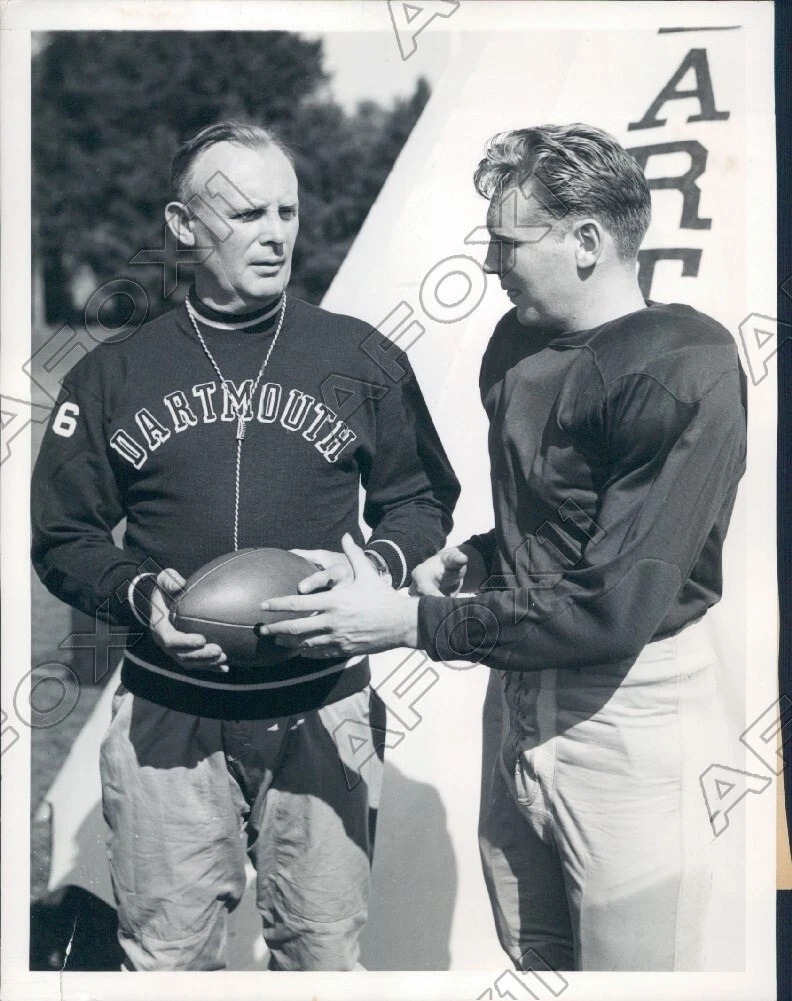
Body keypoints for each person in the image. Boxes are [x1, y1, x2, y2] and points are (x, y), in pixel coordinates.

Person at [260, 123, 748, 971]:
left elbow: (612, 604)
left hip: (627, 709)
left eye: (507, 239)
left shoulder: (682, 364)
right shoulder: (520, 343)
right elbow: (558, 522)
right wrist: (475, 560)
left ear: (588, 240)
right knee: (537, 962)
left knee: (639, 978)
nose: (490, 262)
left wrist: (414, 622)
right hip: (518, 698)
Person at [31, 120, 460, 972]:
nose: (276, 232)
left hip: (321, 705)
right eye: (246, 213)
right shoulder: (114, 374)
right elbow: (63, 534)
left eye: (287, 210)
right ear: (183, 226)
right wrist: (140, 595)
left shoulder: (360, 357)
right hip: (167, 712)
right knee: (165, 958)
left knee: (322, 956)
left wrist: (375, 568)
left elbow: (422, 497)